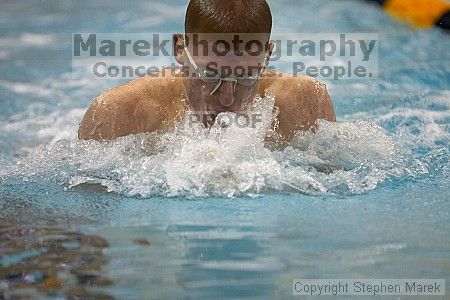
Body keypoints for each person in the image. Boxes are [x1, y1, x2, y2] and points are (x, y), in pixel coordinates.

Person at [78, 0, 336, 143]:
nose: (226, 98)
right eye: (209, 76)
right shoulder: (119, 114)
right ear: (180, 49)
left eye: (246, 77)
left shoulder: (305, 104)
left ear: (267, 57)